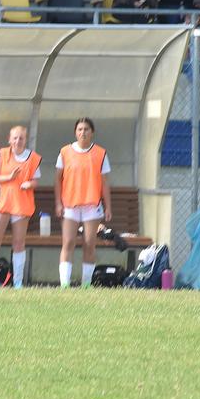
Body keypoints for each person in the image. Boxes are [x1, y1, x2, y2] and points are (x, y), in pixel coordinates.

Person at [54, 117, 112, 288]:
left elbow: (105, 182)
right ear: (75, 132)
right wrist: (58, 203)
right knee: (69, 242)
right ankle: (65, 284)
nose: (83, 132)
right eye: (80, 129)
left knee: (89, 244)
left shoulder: (100, 153)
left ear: (92, 132)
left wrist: (108, 206)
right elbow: (58, 179)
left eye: (86, 129)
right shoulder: (65, 152)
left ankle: (86, 284)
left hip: (92, 206)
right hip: (70, 205)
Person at [0, 125, 40, 289]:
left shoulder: (32, 157)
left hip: (22, 204)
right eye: (15, 138)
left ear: (26, 140)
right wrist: (9, 177)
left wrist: (29, 184)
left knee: (19, 243)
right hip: (3, 203)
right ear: (9, 139)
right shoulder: (2, 154)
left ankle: (18, 281)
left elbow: (36, 180)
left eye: (21, 138)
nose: (18, 141)